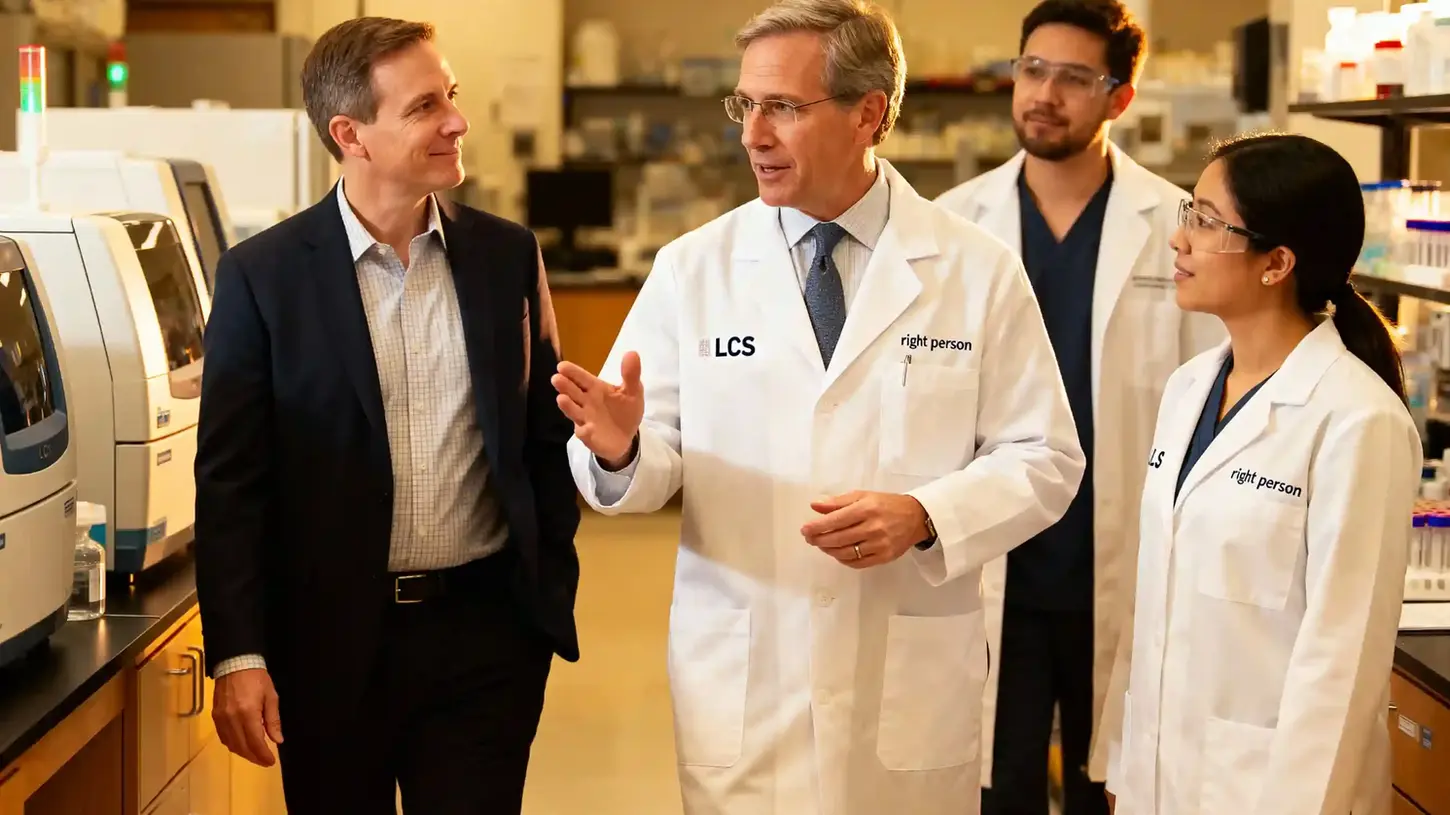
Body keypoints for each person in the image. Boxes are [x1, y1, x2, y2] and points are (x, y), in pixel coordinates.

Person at [552, 1, 1085, 812]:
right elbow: (644, 456)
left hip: (905, 674)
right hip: (748, 675)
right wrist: (622, 447)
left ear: (868, 113)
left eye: (783, 107)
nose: (752, 135)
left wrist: (927, 514)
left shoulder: (976, 271)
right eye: (745, 104)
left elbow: (1046, 456)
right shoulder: (695, 269)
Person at [193, 17, 581, 814]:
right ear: (351, 135)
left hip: (484, 641)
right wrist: (237, 652)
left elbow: (544, 440)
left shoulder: (507, 256)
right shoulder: (262, 276)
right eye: (425, 106)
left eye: (452, 96)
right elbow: (232, 485)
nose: (457, 121)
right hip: (328, 644)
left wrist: (543, 604)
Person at [934, 2, 1222, 812]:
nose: (1044, 94)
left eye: (1072, 78)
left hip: (1123, 566)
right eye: (1032, 70)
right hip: (997, 561)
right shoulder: (954, 225)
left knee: (1114, 786)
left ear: (1119, 97)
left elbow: (1208, 398)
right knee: (997, 786)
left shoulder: (1175, 226)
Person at [1104, 132, 1421, 815]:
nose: (1179, 240)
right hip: (1161, 779)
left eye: (1207, 222)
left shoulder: (1357, 420)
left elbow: (1341, 663)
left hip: (1272, 790)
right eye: (1189, 212)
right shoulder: (1189, 388)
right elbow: (1155, 596)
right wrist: (1124, 763)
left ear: (1277, 263)